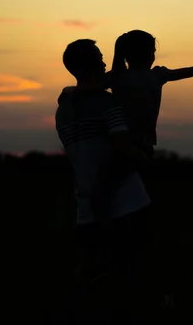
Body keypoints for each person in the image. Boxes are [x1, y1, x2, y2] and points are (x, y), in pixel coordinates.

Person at [55, 39, 153, 321]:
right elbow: (124, 148)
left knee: (90, 280)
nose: (102, 63)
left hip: (85, 208)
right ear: (90, 64)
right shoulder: (106, 103)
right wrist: (143, 155)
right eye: (99, 58)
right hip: (126, 205)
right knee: (132, 280)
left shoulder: (63, 109)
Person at [108, 29, 193, 157]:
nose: (153, 56)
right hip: (133, 144)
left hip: (120, 142)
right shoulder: (156, 75)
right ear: (145, 53)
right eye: (152, 51)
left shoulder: (117, 76)